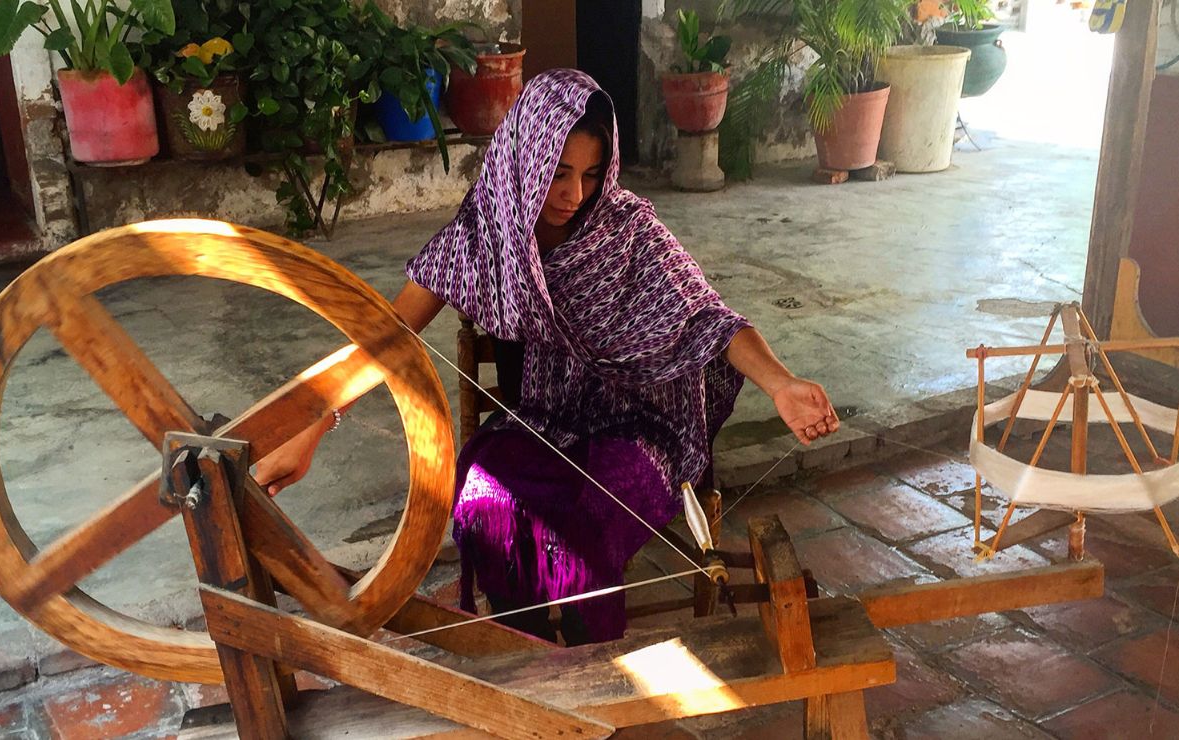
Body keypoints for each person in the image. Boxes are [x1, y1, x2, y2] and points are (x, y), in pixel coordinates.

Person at [257, 69, 839, 645]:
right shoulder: (486, 235)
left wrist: (781, 384)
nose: (574, 195)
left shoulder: (629, 229)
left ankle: (593, 661)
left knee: (589, 520)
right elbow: (388, 332)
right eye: (557, 173)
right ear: (523, 160)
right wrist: (311, 424)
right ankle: (521, 650)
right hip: (542, 424)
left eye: (591, 174)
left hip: (642, 428)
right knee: (486, 502)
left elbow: (710, 319)